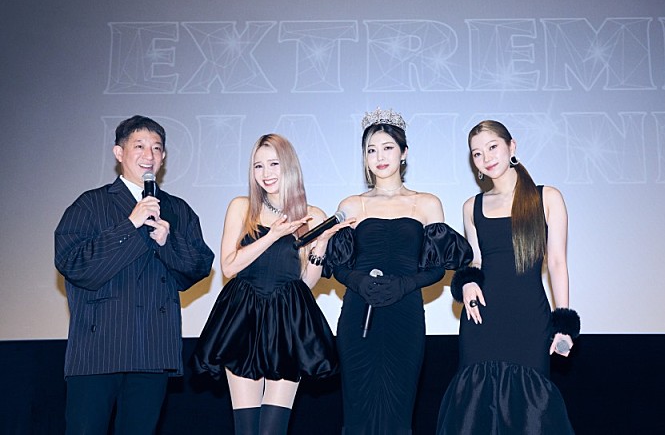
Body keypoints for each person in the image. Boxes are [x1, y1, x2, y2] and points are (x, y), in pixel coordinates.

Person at [54, 115, 215, 435]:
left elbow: (200, 266)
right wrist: (130, 225)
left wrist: (169, 242)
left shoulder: (177, 209)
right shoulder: (90, 204)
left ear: (163, 157)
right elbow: (74, 264)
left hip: (153, 349)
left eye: (156, 148)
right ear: (119, 153)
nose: (148, 155)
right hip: (99, 348)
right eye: (139, 146)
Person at [325, 108, 473, 435]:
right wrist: (358, 280)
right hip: (359, 313)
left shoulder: (427, 203)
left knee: (398, 409)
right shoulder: (352, 204)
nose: (379, 157)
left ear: (404, 153)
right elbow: (338, 265)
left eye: (387, 148)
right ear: (364, 158)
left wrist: (404, 284)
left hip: (405, 313)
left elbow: (437, 268)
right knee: (358, 410)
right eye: (371, 150)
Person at [192, 134, 348, 435]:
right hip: (243, 318)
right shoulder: (242, 207)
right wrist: (272, 236)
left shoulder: (312, 215)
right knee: (246, 429)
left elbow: (305, 283)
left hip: (287, 321)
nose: (266, 173)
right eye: (258, 166)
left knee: (273, 430)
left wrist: (321, 246)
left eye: (274, 164)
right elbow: (229, 266)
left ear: (289, 166)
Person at [436, 120, 580, 435]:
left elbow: (557, 262)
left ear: (511, 146)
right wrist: (467, 281)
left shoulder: (547, 197)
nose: (486, 157)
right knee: (476, 409)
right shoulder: (471, 206)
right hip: (482, 320)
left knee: (529, 413)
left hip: (529, 319)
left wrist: (564, 325)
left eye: (492, 147)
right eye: (477, 153)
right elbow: (476, 259)